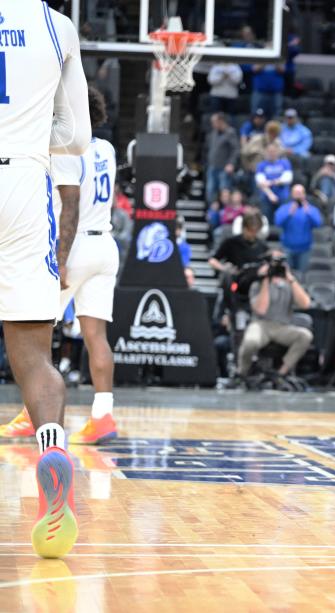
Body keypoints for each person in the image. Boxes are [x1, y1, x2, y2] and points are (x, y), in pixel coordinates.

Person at [0, 0, 91, 559]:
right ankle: (51, 448)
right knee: (35, 359)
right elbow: (78, 135)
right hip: (26, 184)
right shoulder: (56, 26)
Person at [237, 253, 314, 381]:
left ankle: (281, 373)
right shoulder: (257, 285)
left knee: (305, 335)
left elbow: (306, 304)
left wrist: (291, 279)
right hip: (261, 324)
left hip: (283, 326)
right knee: (250, 342)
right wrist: (266, 279)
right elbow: (261, 310)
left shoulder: (290, 285)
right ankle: (242, 373)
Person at [274, 185, 323, 276]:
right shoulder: (284, 208)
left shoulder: (311, 209)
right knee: (286, 275)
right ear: (292, 194)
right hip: (287, 248)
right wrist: (289, 213)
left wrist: (308, 212)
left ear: (304, 194)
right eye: (296, 193)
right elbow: (278, 223)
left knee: (302, 276)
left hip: (305, 249)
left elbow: (318, 224)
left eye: (300, 193)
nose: (299, 195)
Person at [205, 113, 239, 206]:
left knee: (224, 191)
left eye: (214, 122)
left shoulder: (230, 133)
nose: (213, 124)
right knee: (210, 190)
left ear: (221, 121)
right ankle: (212, 213)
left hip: (224, 167)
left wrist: (231, 163)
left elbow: (235, 150)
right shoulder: (213, 133)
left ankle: (225, 213)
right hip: (212, 166)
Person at [254, 144, 293, 217]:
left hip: (283, 195)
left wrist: (272, 182)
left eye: (273, 151)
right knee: (266, 216)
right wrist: (270, 195)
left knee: (284, 215)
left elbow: (288, 178)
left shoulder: (284, 163)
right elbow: (260, 182)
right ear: (265, 152)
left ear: (277, 152)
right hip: (266, 196)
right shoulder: (261, 165)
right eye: (269, 151)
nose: (271, 153)